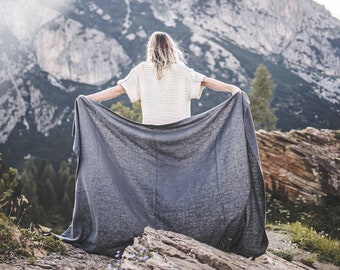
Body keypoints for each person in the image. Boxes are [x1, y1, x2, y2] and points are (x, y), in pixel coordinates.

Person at [87, 31, 241, 125]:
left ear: (151, 49)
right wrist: (232, 88)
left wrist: (88, 99)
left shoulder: (141, 70)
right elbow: (207, 81)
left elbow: (116, 91)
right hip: (180, 134)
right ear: (171, 48)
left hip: (151, 134)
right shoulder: (182, 71)